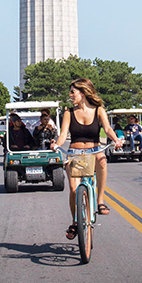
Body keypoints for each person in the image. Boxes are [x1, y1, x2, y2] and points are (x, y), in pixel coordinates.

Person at [51, 78, 122, 240]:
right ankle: (75, 222)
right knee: (74, 190)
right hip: (76, 152)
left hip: (95, 149)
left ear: (82, 93)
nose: (70, 95)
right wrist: (56, 144)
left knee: (102, 160)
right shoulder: (69, 113)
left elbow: (108, 128)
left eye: (72, 92)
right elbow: (63, 135)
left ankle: (100, 199)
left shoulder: (98, 110)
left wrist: (116, 140)